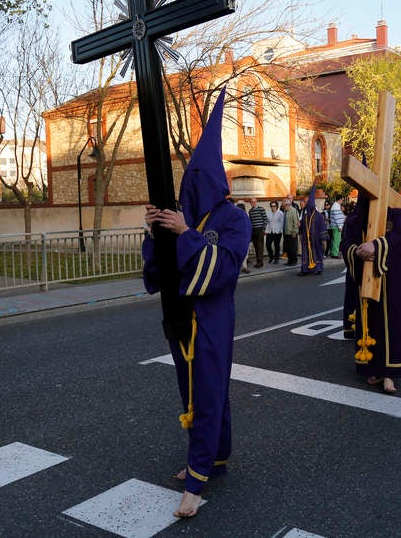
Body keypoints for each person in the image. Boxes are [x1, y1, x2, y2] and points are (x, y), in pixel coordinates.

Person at [141, 89, 251, 518]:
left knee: (207, 392)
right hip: (179, 317)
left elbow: (221, 271)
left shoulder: (234, 218)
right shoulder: (180, 211)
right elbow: (160, 273)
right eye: (191, 182)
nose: (194, 190)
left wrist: (186, 233)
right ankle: (213, 457)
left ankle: (196, 480)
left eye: (201, 183)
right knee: (194, 390)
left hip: (213, 318)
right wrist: (154, 234)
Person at [342, 194, 401, 393]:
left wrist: (376, 246)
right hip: (366, 277)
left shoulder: (396, 211)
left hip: (392, 277)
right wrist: (357, 251)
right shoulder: (356, 217)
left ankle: (390, 372)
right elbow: (345, 243)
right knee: (371, 322)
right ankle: (373, 368)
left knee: (392, 323)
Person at [298, 185, 326, 276]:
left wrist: (323, 239)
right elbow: (302, 227)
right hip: (306, 240)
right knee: (306, 255)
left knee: (317, 253)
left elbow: (322, 228)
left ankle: (318, 268)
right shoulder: (306, 216)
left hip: (316, 240)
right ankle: (305, 269)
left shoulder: (319, 216)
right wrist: (301, 235)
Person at [247, 198, 267, 268]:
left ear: (256, 202)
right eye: (252, 202)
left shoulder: (261, 209)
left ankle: (260, 262)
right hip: (253, 230)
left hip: (260, 229)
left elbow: (265, 219)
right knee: (256, 247)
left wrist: (264, 229)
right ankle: (258, 261)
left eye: (254, 202)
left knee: (260, 247)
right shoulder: (250, 211)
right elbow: (250, 221)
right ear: (250, 203)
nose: (253, 203)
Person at [282, 197, 299, 266]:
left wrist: (294, 231)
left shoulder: (293, 211)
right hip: (286, 232)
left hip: (292, 233)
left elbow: (295, 222)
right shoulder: (285, 211)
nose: (283, 207)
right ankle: (289, 261)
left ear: (287, 205)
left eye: (284, 206)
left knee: (293, 248)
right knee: (288, 248)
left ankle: (294, 261)